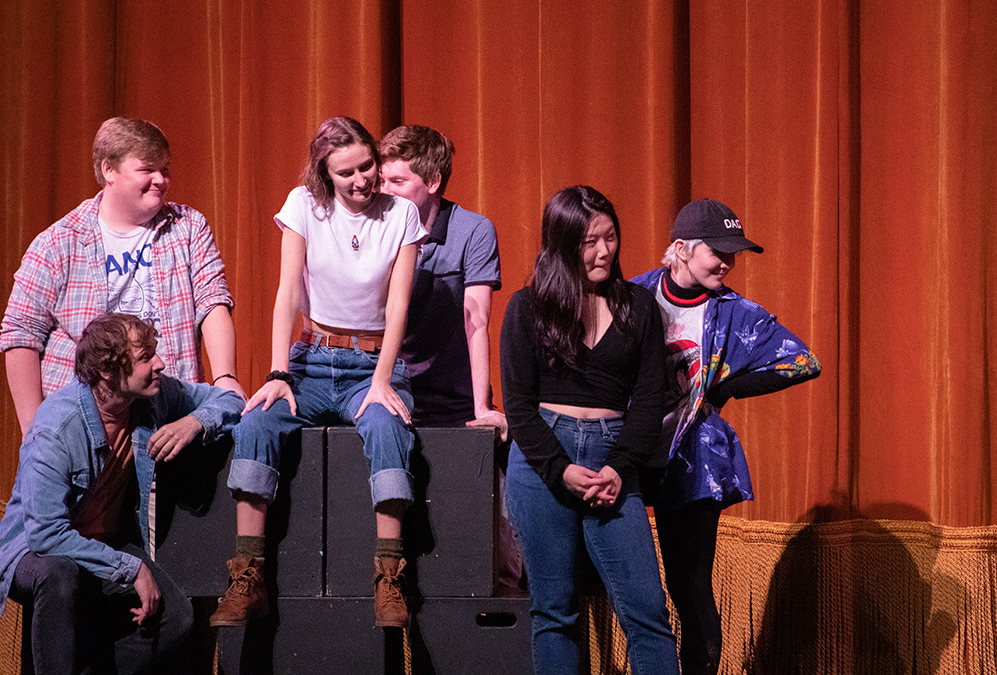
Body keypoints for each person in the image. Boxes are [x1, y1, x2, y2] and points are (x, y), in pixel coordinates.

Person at [210, 116, 426, 629]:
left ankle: (389, 578)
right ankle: (248, 576)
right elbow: (287, 293)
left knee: (386, 426)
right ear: (325, 176)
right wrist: (278, 371)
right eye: (346, 172)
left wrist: (380, 381)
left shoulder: (402, 215)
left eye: (367, 165)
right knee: (257, 422)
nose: (361, 180)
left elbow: (398, 308)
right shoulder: (304, 206)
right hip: (311, 358)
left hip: (372, 364)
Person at [0, 312, 243, 674]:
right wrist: (130, 567)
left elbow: (231, 401)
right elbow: (45, 535)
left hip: (104, 542)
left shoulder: (152, 398)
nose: (160, 363)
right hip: (34, 552)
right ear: (108, 371)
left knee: (178, 617)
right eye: (145, 358)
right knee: (59, 575)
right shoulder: (56, 428)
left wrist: (194, 422)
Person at [631, 198, 822, 675]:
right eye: (717, 251)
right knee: (629, 583)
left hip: (692, 462)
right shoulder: (630, 295)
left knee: (690, 586)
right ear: (680, 248)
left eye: (733, 254)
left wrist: (723, 388)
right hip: (625, 458)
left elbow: (803, 362)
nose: (727, 262)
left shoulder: (736, 311)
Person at [500, 186, 678, 674]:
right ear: (561, 244)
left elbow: (647, 402)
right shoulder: (527, 308)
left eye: (610, 237)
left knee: (647, 612)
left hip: (614, 457)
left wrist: (618, 468)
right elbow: (517, 406)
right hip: (542, 461)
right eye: (589, 241)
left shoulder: (638, 306)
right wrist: (560, 470)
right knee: (554, 612)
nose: (604, 251)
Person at [0, 117, 246, 436]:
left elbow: (212, 303)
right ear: (109, 170)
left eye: (165, 169)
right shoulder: (59, 242)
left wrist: (225, 378)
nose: (160, 179)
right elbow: (21, 334)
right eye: (147, 169)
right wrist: (34, 431)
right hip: (85, 424)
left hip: (169, 414)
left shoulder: (187, 229)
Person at [378, 125, 506, 439]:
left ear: (433, 181)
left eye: (398, 181)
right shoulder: (373, 227)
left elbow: (476, 318)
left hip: (453, 403)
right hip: (388, 397)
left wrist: (481, 407)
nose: (385, 191)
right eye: (382, 180)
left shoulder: (473, 230)